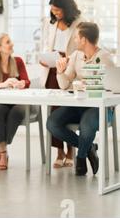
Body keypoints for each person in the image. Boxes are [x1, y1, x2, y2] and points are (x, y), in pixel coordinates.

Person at [46, 22, 114, 176]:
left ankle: (81, 158)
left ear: (84, 40)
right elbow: (64, 85)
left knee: (86, 124)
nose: (75, 40)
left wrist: (89, 85)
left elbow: (113, 87)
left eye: (77, 37)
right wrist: (60, 71)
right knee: (52, 122)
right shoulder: (76, 56)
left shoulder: (105, 58)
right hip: (79, 104)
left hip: (100, 108)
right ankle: (89, 147)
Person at [39, 0, 84, 169]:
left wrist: (69, 59)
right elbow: (47, 44)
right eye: (52, 9)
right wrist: (45, 58)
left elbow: (82, 47)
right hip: (52, 70)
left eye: (58, 10)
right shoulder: (50, 23)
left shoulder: (79, 22)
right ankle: (58, 152)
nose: (55, 13)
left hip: (70, 70)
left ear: (66, 8)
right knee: (53, 112)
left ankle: (71, 151)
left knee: (68, 109)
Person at [0, 33, 35, 170]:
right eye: (8, 42)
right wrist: (2, 84)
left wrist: (22, 83)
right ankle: (4, 153)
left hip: (19, 103)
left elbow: (27, 81)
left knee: (16, 112)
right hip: (2, 103)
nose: (12, 44)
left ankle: (1, 152)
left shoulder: (18, 61)